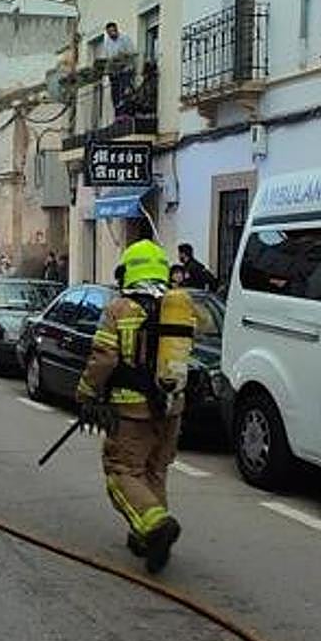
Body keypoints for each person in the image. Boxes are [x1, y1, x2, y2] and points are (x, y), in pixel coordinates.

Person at [76, 240, 196, 574]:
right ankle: (148, 535)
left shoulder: (119, 309)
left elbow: (104, 358)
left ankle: (154, 527)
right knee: (155, 471)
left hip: (132, 411)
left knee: (122, 472)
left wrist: (85, 393)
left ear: (128, 271)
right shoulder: (179, 307)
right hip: (171, 408)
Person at [103, 21, 137, 117]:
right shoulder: (107, 42)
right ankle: (118, 115)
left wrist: (122, 59)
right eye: (109, 33)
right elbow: (108, 58)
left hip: (126, 70)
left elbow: (132, 54)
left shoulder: (125, 38)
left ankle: (127, 114)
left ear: (117, 30)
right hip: (114, 72)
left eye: (113, 31)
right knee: (115, 95)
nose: (112, 34)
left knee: (125, 93)